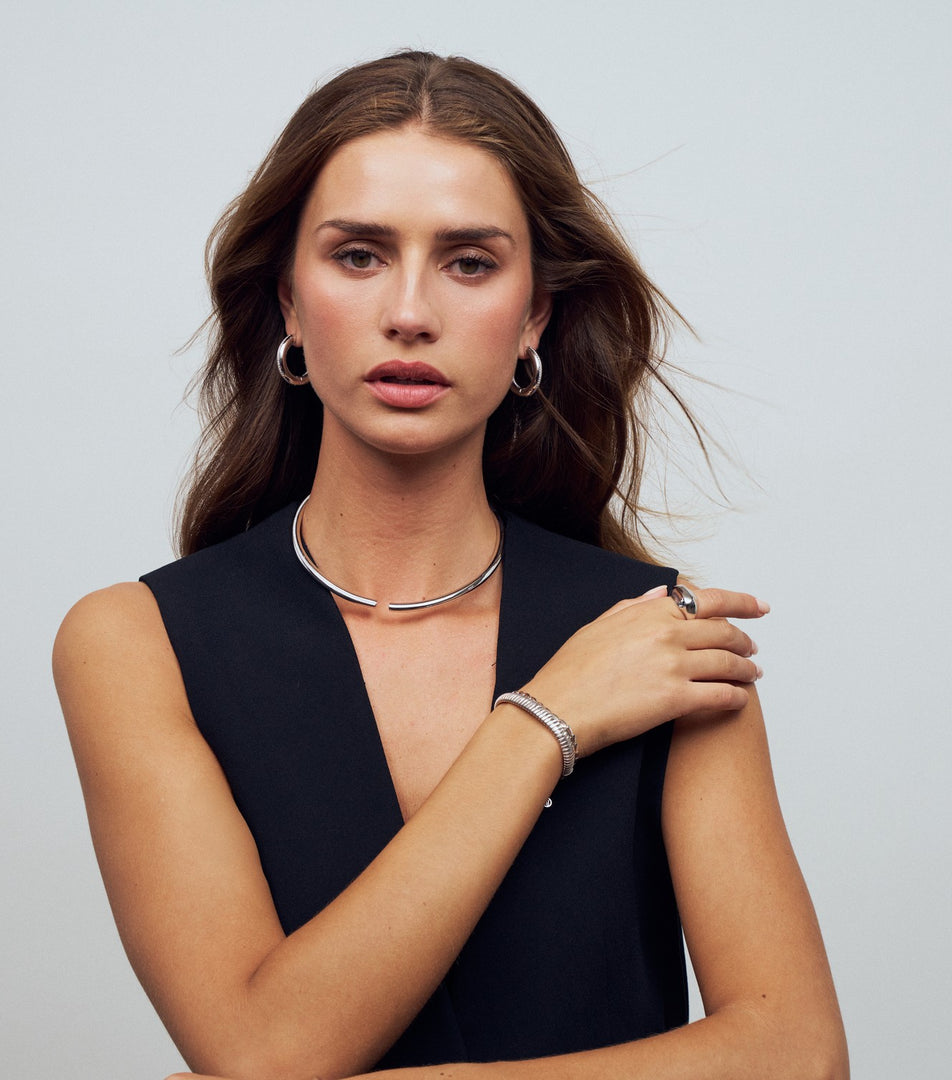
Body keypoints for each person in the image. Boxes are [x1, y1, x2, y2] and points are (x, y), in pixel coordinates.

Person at [53, 51, 848, 1080]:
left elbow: (798, 1056)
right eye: (358, 256)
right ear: (288, 304)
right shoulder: (135, 644)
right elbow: (260, 1050)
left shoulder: (659, 641)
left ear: (534, 318)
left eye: (470, 262)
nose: (412, 312)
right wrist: (546, 722)